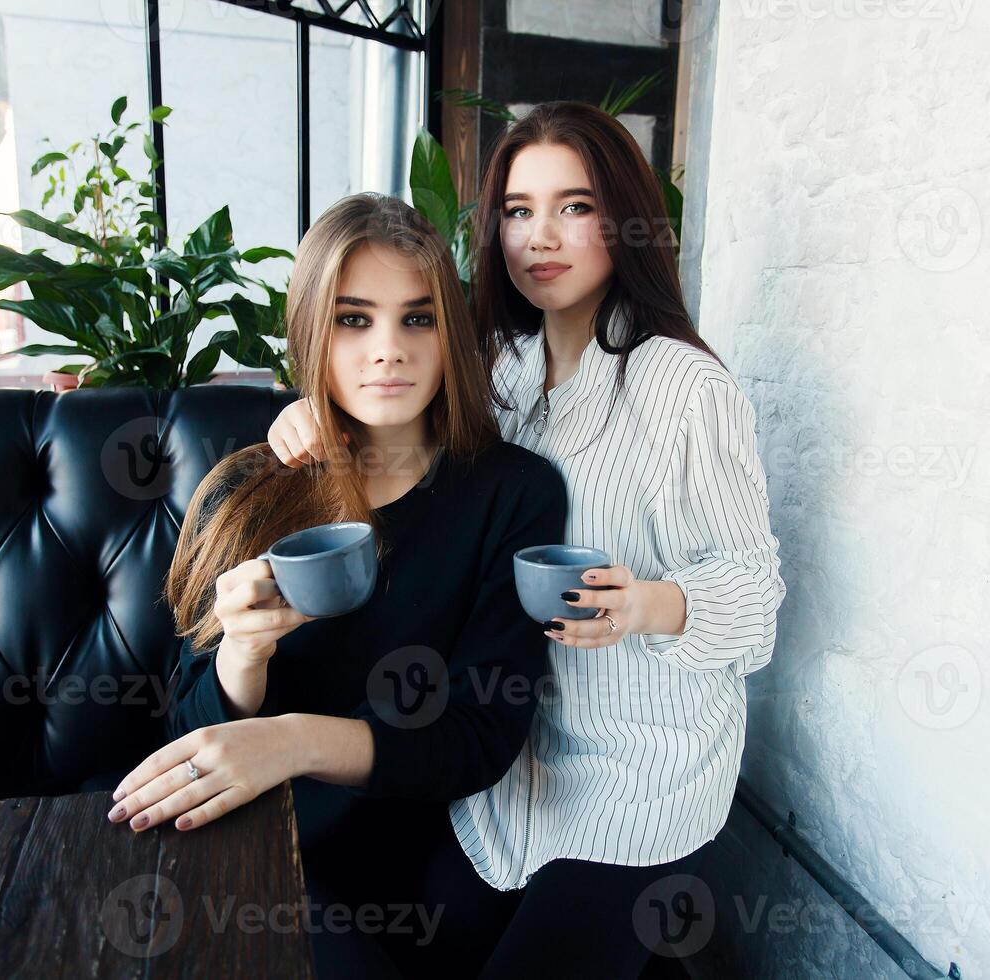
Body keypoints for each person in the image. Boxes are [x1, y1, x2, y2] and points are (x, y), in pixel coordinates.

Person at [264, 101, 787, 976]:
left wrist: (651, 605)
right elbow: (391, 406)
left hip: (641, 772)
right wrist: (307, 415)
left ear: (624, 222)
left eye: (575, 207)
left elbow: (757, 605)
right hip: (512, 766)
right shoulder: (501, 368)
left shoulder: (687, 390)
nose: (541, 235)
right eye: (517, 210)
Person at [105, 192, 568, 977]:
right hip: (253, 840)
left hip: (424, 855)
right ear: (312, 332)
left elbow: (479, 734)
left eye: (417, 319)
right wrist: (242, 658)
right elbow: (189, 727)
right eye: (354, 319)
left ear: (449, 333)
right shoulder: (251, 488)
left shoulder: (512, 494)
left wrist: (288, 742)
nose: (388, 349)